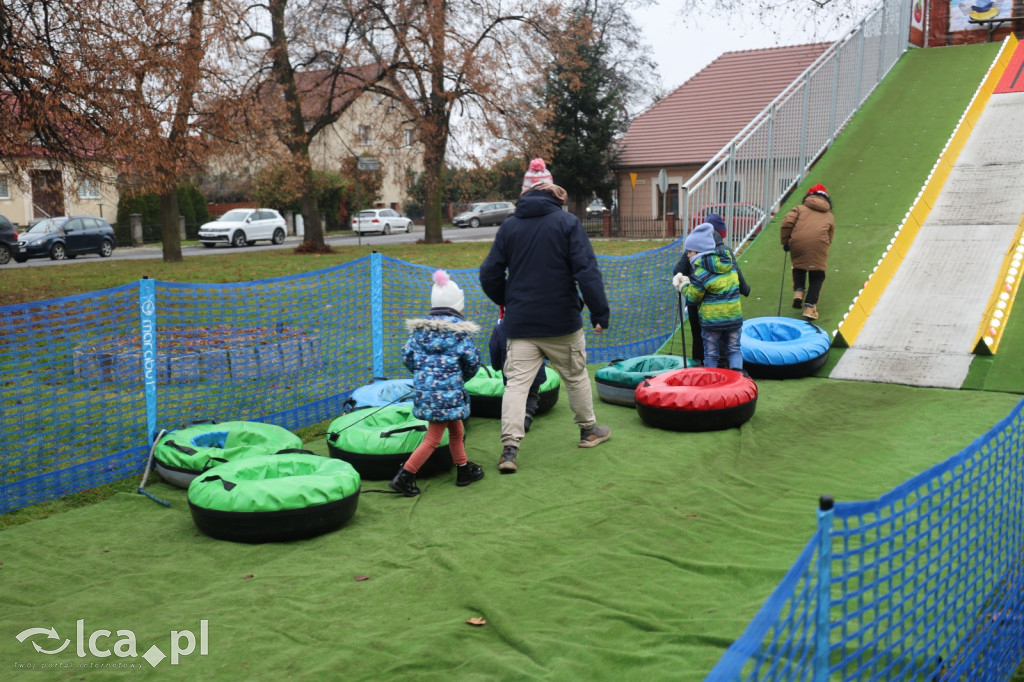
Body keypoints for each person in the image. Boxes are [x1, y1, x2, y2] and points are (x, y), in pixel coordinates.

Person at [479, 162, 611, 475]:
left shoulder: (510, 227)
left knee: (515, 387)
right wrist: (599, 312)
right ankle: (588, 431)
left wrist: (506, 299)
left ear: (525, 192)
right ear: (552, 190)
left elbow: (489, 273)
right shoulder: (567, 223)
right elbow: (586, 271)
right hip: (562, 323)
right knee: (576, 376)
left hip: (521, 324)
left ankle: (509, 450)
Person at [389, 269, 485, 497]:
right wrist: (460, 379)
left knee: (456, 429)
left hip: (426, 393)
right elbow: (472, 362)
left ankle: (463, 469)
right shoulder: (461, 335)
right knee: (433, 438)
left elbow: (408, 358)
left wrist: (424, 377)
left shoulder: (419, 333)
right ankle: (405, 476)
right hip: (449, 394)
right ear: (458, 303)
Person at [672, 213, 750, 364]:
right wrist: (745, 289)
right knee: (731, 347)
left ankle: (702, 367)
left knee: (704, 342)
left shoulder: (694, 252)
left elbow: (678, 272)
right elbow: (737, 274)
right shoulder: (725, 254)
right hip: (730, 310)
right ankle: (734, 375)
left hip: (701, 306)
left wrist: (683, 283)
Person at [780, 184, 834, 321]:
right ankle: (809, 307)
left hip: (798, 241)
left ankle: (798, 291)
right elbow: (830, 235)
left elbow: (787, 223)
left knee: (799, 266)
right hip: (819, 244)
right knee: (817, 275)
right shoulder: (829, 216)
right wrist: (824, 246)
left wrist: (786, 242)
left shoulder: (799, 209)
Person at [488, 306, 546, 433]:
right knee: (532, 394)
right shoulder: (536, 325)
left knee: (514, 394)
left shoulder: (499, 329)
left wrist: (496, 365)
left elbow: (494, 348)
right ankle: (527, 415)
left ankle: (515, 419)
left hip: (512, 372)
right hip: (534, 372)